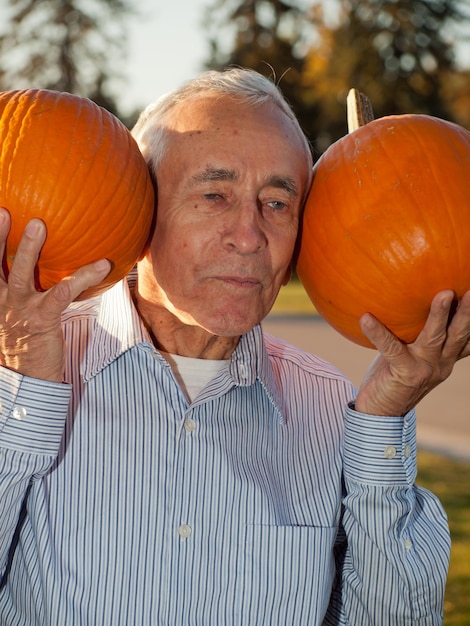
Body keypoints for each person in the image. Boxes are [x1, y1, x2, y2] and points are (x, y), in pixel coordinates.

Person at [0, 68, 468, 626]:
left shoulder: (332, 414)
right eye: (214, 194)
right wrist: (22, 390)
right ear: (141, 208)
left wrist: (386, 421)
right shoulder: (19, 369)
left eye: (276, 202)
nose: (248, 236)